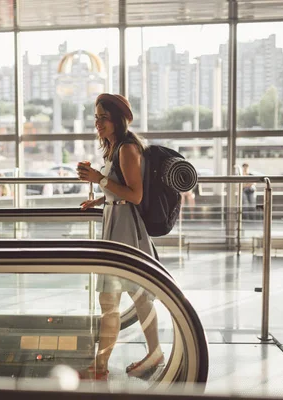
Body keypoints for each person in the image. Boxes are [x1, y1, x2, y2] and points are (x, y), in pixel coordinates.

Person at [76, 93, 164, 380]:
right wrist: (100, 199)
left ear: (117, 119)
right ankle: (112, 363)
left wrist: (98, 180)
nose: (98, 122)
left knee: (126, 297)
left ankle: (145, 355)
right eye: (96, 117)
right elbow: (119, 191)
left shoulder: (127, 149)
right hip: (116, 224)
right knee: (121, 299)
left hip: (126, 230)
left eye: (103, 117)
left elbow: (135, 195)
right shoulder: (114, 148)